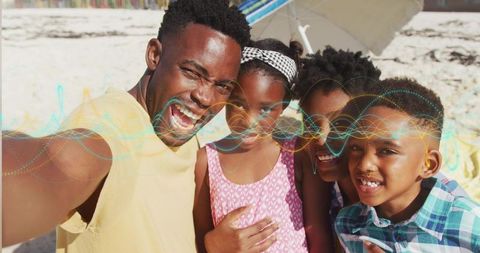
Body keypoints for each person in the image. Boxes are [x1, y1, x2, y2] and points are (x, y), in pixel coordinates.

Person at [1, 0, 272, 252]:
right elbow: (54, 165)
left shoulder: (183, 130)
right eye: (192, 73)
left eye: (222, 86)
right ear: (154, 55)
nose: (205, 97)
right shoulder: (109, 128)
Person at [193, 39, 334, 253]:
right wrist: (212, 245)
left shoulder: (298, 154)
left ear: (285, 105)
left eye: (266, 109)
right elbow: (201, 236)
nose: (249, 121)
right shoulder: (207, 161)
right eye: (238, 103)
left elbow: (319, 236)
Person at [335, 77, 480, 252]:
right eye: (356, 147)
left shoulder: (470, 226)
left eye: (387, 151)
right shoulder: (348, 224)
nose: (365, 164)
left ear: (428, 165)